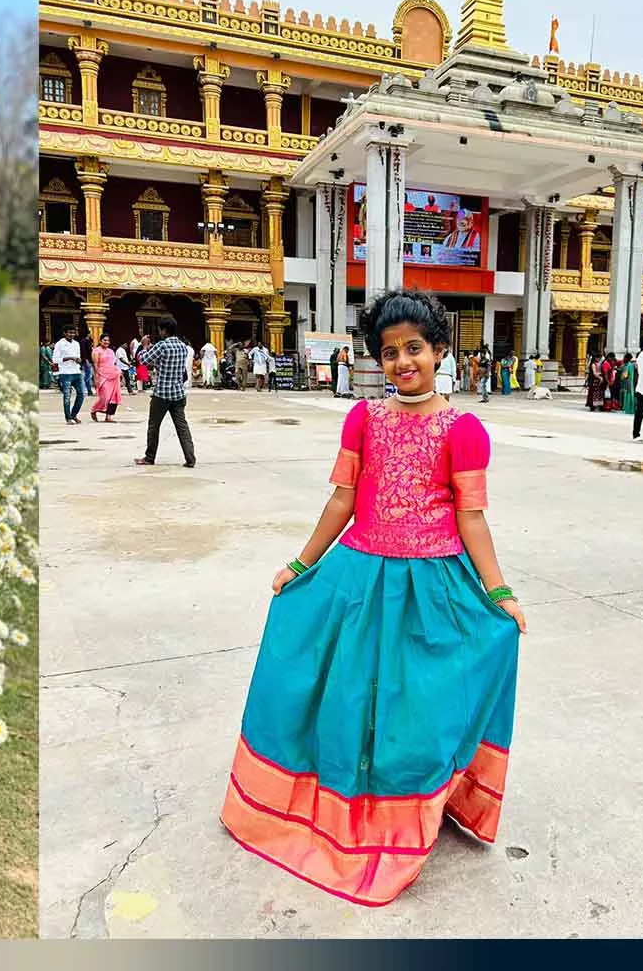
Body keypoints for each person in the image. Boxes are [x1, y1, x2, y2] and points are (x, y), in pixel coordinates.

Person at [219, 287, 524, 907]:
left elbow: (472, 517)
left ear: (441, 350)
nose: (402, 361)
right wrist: (301, 564)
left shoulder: (463, 430)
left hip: (431, 586)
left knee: (420, 703)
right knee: (341, 694)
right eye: (388, 352)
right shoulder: (363, 419)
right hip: (356, 580)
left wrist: (499, 591)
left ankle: (409, 805)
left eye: (414, 347)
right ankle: (342, 805)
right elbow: (342, 500)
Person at [133, 318, 197, 468]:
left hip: (162, 393)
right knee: (182, 426)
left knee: (154, 426)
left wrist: (143, 346)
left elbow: (143, 360)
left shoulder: (162, 345)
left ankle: (150, 457)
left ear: (164, 330)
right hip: (178, 392)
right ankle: (190, 458)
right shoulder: (183, 346)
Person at [52, 325, 84, 425]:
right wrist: (69, 358)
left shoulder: (76, 344)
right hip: (65, 373)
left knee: (81, 394)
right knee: (67, 396)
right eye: (69, 333)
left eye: (73, 333)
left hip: (76, 372)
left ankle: (74, 414)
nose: (72, 335)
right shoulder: (59, 344)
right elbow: (55, 360)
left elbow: (78, 357)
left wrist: (78, 360)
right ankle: (68, 418)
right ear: (65, 333)